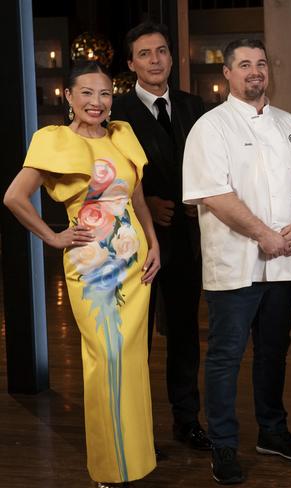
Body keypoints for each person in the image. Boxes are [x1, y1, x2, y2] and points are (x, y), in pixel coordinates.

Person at [4, 60, 160, 487]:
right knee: (105, 359)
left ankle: (136, 461)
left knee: (131, 360)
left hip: (135, 263)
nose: (97, 102)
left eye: (105, 93)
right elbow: (14, 197)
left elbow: (139, 200)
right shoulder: (52, 141)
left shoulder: (122, 135)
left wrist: (155, 243)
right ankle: (109, 469)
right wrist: (52, 238)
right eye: (87, 93)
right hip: (92, 267)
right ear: (68, 97)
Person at [182, 39, 291, 485]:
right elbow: (215, 195)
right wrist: (264, 234)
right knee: (226, 356)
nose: (254, 71)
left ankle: (272, 433)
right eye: (244, 65)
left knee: (274, 353)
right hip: (235, 263)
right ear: (228, 74)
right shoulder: (209, 127)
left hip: (284, 263)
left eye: (260, 63)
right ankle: (223, 445)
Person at [111, 21, 210, 451]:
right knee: (134, 335)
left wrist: (201, 198)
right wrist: (144, 203)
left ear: (172, 57)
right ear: (131, 63)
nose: (156, 60)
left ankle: (186, 420)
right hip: (134, 244)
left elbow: (212, 166)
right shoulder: (114, 113)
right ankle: (134, 426)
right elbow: (105, 178)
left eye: (162, 51)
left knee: (186, 334)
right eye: (145, 53)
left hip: (187, 242)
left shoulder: (197, 108)